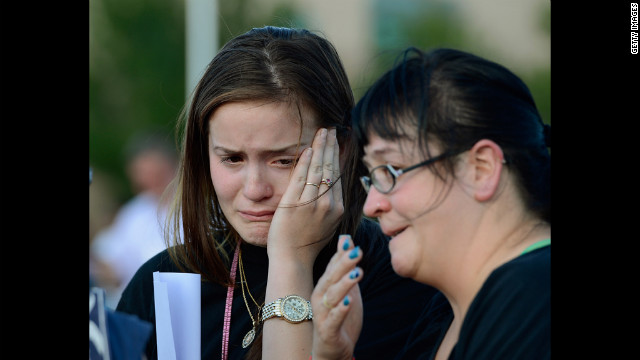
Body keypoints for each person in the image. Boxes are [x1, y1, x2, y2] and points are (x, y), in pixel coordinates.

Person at [116, 26, 439, 360]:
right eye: (232, 159)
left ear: (340, 150)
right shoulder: (165, 283)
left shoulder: (395, 275)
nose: (255, 189)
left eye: (284, 160)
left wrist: (292, 259)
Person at [310, 47, 551, 360]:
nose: (372, 206)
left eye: (392, 171)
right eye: (373, 177)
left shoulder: (533, 296)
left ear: (482, 169)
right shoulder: (444, 310)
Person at [90, 131, 178, 309]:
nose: (144, 181)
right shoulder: (135, 212)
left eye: (152, 173)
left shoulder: (200, 208)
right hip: (137, 308)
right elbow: (112, 269)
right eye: (139, 174)